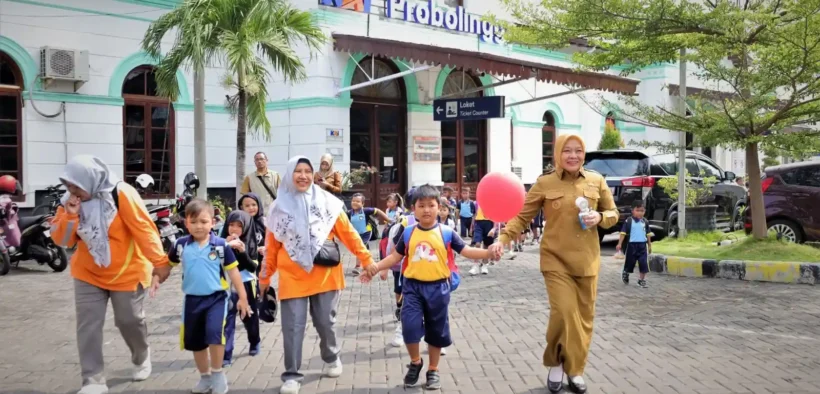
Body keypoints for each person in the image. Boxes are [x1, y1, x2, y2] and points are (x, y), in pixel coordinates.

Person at [490, 134, 618, 394]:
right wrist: (503, 239)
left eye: (578, 150)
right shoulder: (544, 182)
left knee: (583, 319)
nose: (573, 156)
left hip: (587, 261)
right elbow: (523, 216)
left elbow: (614, 214)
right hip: (555, 259)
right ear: (557, 154)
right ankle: (556, 363)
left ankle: (575, 369)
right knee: (563, 312)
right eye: (567, 151)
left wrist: (601, 216)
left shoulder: (597, 180)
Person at [362, 185, 501, 390]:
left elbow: (467, 250)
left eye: (431, 205)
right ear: (413, 209)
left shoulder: (447, 232)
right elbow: (394, 257)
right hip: (412, 288)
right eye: (421, 205)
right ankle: (416, 362)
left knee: (436, 331)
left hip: (438, 289)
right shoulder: (408, 232)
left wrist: (488, 253)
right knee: (409, 327)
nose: (426, 209)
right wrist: (375, 267)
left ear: (439, 207)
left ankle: (433, 370)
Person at [50, 155, 169, 394]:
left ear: (90, 179)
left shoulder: (121, 193)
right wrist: (71, 215)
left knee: (129, 321)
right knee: (88, 326)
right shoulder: (69, 202)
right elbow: (62, 240)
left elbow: (143, 228)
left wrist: (160, 261)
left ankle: (141, 355)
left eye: (76, 186)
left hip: (126, 271)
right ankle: (93, 380)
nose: (72, 191)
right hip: (88, 272)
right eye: (68, 185)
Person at [259, 156, 375, 394]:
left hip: (326, 275)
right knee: (292, 327)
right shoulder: (278, 208)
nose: (303, 175)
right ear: (290, 174)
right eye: (298, 171)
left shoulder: (328, 202)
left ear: (313, 175)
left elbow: (349, 234)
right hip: (293, 278)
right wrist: (265, 277)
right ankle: (291, 375)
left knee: (325, 323)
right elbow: (271, 247)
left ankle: (331, 357)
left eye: (307, 171)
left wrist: (367, 259)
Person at [150, 199, 250, 394]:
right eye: (193, 221)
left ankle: (218, 374)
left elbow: (234, 274)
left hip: (217, 299)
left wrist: (243, 298)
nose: (199, 226)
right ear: (186, 223)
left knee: (215, 336)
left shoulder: (221, 246)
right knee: (196, 342)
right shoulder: (180, 245)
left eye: (204, 222)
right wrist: (156, 277)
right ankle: (205, 377)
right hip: (192, 300)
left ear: (213, 223)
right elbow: (167, 266)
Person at [219, 210, 262, 366]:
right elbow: (214, 261)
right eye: (231, 225)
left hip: (246, 285)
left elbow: (252, 267)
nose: (234, 229)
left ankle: (255, 341)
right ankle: (226, 355)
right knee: (226, 321)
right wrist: (226, 245)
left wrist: (242, 251)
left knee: (248, 318)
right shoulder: (220, 241)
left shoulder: (251, 242)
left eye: (239, 226)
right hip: (226, 286)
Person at [348, 193, 390, 275]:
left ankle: (357, 267)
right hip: (356, 234)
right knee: (364, 249)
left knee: (360, 247)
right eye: (353, 201)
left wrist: (388, 220)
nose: (355, 203)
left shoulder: (366, 211)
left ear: (362, 204)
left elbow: (378, 211)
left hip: (366, 233)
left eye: (358, 201)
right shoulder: (349, 213)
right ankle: (368, 263)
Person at [617, 200, 653, 288]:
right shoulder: (628, 221)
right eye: (638, 210)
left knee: (643, 263)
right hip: (631, 246)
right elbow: (623, 233)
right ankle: (626, 272)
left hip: (642, 246)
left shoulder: (645, 222)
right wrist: (619, 243)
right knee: (630, 263)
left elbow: (648, 234)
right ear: (633, 210)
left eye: (642, 211)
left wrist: (649, 245)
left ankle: (641, 280)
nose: (640, 213)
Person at [469, 203, 501, 275]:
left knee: (486, 246)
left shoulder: (493, 202)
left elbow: (496, 215)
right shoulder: (477, 203)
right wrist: (472, 226)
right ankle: (475, 265)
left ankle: (484, 265)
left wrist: (494, 228)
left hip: (489, 223)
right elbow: (475, 214)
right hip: (479, 223)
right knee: (477, 244)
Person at [238, 193, 267, 266]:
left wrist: (266, 248)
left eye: (254, 205)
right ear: (242, 207)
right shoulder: (239, 223)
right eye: (247, 206)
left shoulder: (265, 222)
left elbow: (273, 241)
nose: (251, 208)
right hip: (245, 261)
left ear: (258, 205)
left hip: (263, 261)